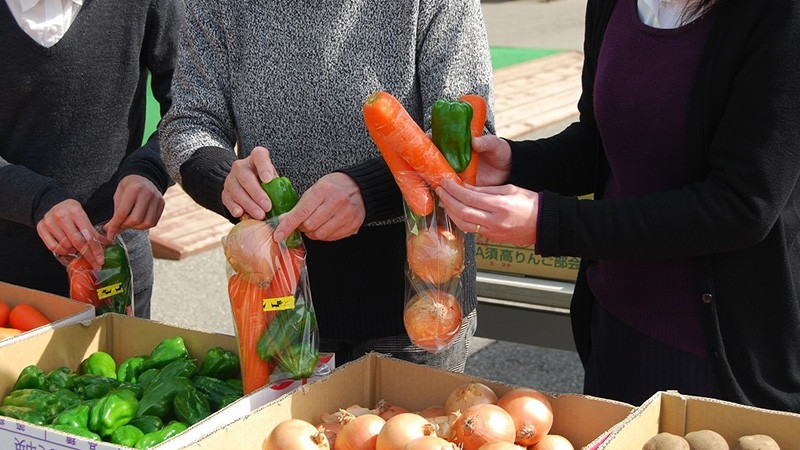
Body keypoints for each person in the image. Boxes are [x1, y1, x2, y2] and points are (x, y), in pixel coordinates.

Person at [436, 0, 800, 410]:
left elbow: (741, 206)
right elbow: (598, 146)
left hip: (717, 353)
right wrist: (516, 163)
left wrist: (550, 223)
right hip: (615, 324)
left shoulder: (779, 15)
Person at [159, 1, 495, 371]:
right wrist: (222, 177)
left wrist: (367, 190)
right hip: (279, 303)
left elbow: (469, 132)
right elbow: (188, 122)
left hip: (420, 300)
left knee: (416, 429)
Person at [0, 0, 183, 319]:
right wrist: (38, 200)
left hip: (115, 266)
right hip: (9, 283)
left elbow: (190, 107)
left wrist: (150, 170)